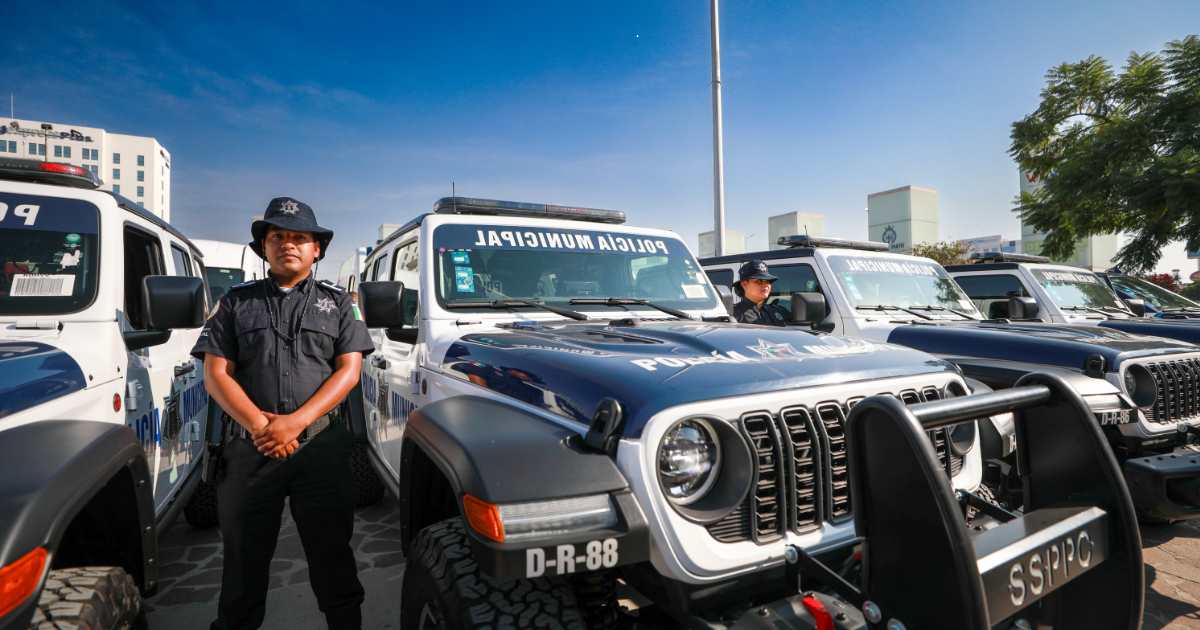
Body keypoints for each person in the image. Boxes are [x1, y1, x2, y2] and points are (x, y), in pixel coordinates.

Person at [191, 198, 375, 630]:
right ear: (264, 247)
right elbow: (216, 375)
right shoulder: (234, 303)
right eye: (277, 236)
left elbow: (349, 372)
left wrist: (294, 424)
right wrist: (263, 427)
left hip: (321, 450)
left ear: (316, 249)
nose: (287, 244)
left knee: (334, 560)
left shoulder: (339, 304)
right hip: (250, 451)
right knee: (241, 567)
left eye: (299, 237)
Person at [732, 260, 788, 327]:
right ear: (744, 284)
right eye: (759, 280)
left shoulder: (774, 311)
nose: (765, 285)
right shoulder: (734, 313)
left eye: (768, 281)